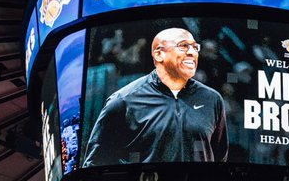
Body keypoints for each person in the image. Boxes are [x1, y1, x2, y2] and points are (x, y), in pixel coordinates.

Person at [83, 27, 229, 165]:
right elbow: (96, 163)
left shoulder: (212, 99)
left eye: (195, 47)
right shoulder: (123, 100)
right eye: (183, 46)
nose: (192, 52)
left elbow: (219, 160)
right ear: (159, 54)